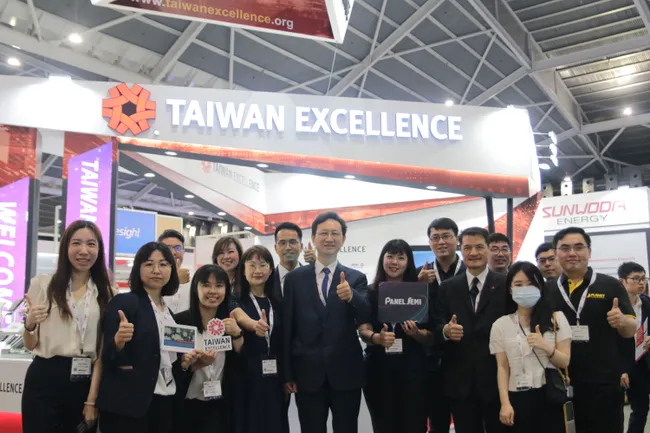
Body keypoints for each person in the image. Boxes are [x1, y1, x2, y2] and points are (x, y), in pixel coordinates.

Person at [21, 220, 114, 433]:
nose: (84, 251)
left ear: (99, 250)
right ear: (66, 248)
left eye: (91, 244)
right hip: (45, 377)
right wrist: (30, 323)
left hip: (84, 379)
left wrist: (91, 401)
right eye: (76, 243)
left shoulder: (107, 294)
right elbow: (30, 344)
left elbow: (101, 353)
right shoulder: (43, 284)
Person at [283, 211, 370, 433]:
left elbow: (367, 313)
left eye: (335, 233)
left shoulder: (356, 278)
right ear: (313, 238)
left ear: (343, 239)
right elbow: (288, 327)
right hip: (307, 374)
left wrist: (352, 296)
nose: (329, 238)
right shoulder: (294, 279)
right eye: (323, 233)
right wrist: (288, 373)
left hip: (346, 373)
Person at [545, 227, 636, 433]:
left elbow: (630, 330)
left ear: (589, 252)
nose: (572, 253)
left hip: (602, 381)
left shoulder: (610, 285)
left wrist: (621, 320)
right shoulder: (548, 290)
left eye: (579, 247)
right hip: (561, 380)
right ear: (556, 253)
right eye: (565, 248)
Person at [97, 242, 182, 433]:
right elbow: (107, 356)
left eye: (163, 264)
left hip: (164, 399)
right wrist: (118, 342)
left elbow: (169, 358)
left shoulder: (168, 312)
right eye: (149, 264)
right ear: (138, 268)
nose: (156, 270)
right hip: (130, 406)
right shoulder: (125, 303)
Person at [434, 226, 507, 433]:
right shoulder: (447, 288)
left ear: (488, 249)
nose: (473, 253)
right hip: (460, 382)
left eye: (479, 247)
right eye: (467, 248)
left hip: (497, 380)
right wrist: (446, 332)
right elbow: (436, 324)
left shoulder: (505, 285)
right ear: (460, 250)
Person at [489, 261, 571, 433]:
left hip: (549, 395)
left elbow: (564, 361)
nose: (525, 289)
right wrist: (505, 403)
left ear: (540, 287)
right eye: (518, 284)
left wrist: (546, 347)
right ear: (510, 289)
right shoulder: (500, 325)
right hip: (517, 397)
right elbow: (502, 367)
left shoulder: (556, 319)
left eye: (531, 284)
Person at [359, 239, 429, 433]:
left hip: (413, 370)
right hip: (379, 370)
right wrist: (376, 338)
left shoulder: (420, 292)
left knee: (414, 424)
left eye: (400, 257)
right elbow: (362, 329)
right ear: (383, 259)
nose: (394, 262)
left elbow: (430, 335)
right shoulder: (370, 293)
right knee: (383, 425)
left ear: (408, 262)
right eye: (390, 256)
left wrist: (416, 333)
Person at [173, 265, 244, 433]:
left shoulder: (228, 323)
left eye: (219, 285)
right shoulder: (180, 322)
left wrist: (237, 334)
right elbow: (171, 368)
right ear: (195, 288)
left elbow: (240, 362)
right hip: (186, 405)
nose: (213, 291)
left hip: (220, 406)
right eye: (206, 285)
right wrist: (192, 365)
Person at [233, 245, 288, 433]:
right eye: (252, 265)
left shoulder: (278, 302)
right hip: (245, 376)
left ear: (271, 269)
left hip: (274, 377)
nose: (258, 271)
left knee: (275, 423)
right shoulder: (235, 299)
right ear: (243, 269)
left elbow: (284, 341)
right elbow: (239, 316)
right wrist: (253, 325)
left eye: (263, 265)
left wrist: (288, 376)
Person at [417, 217, 464, 433]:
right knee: (437, 421)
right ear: (430, 243)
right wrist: (418, 287)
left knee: (468, 419)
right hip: (431, 358)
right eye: (435, 238)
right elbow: (412, 314)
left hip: (465, 355)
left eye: (446, 236)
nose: (441, 242)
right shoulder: (419, 273)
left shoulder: (468, 271)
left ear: (457, 239)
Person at [617, 262, 650, 433]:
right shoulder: (614, 306)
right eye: (636, 279)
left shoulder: (646, 302)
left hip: (642, 361)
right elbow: (608, 341)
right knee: (616, 411)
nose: (641, 283)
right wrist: (620, 369)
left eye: (643, 278)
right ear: (622, 281)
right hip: (619, 364)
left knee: (641, 408)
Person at [272, 222, 315, 300]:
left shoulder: (313, 277)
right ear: (275, 248)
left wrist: (316, 265)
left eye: (292, 242)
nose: (288, 247)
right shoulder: (268, 280)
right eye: (282, 243)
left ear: (301, 246)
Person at [160, 229, 191, 314]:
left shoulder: (192, 280)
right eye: (168, 248)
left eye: (178, 248)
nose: (173, 252)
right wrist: (175, 280)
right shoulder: (153, 279)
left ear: (183, 251)